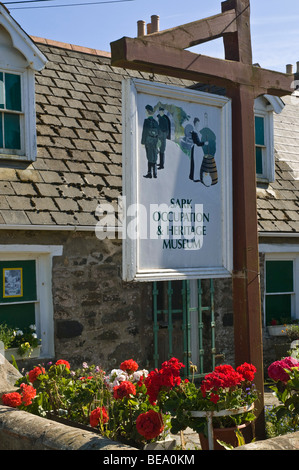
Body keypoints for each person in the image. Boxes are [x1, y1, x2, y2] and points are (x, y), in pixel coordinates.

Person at [141, 105, 159, 179]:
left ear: (148, 112)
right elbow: (158, 133)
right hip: (154, 141)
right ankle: (155, 173)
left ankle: (149, 173)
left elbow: (144, 132)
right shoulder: (155, 122)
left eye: (146, 111)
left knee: (149, 157)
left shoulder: (146, 121)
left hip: (148, 141)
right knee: (154, 157)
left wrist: (143, 142)